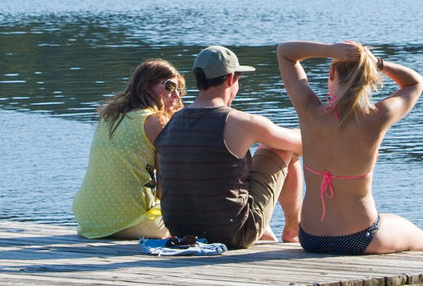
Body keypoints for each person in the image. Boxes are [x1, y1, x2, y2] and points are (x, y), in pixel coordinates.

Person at [277, 39, 423, 255]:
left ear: (331, 73)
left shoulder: (309, 110)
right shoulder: (377, 117)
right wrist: (376, 62)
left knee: (393, 222)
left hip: (310, 238)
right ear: (367, 78)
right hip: (359, 237)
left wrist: (328, 50)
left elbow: (285, 52)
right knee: (418, 237)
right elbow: (416, 83)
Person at [156, 44, 303, 248]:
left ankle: (268, 231)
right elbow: (302, 146)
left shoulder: (173, 121)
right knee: (278, 147)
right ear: (230, 79)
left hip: (181, 232)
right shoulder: (240, 122)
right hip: (233, 234)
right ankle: (293, 231)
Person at [71, 60, 185, 240]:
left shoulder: (110, 117)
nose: (177, 96)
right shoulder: (156, 122)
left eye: (179, 89)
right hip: (134, 222)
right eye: (170, 87)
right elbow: (168, 186)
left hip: (89, 221)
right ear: (148, 87)